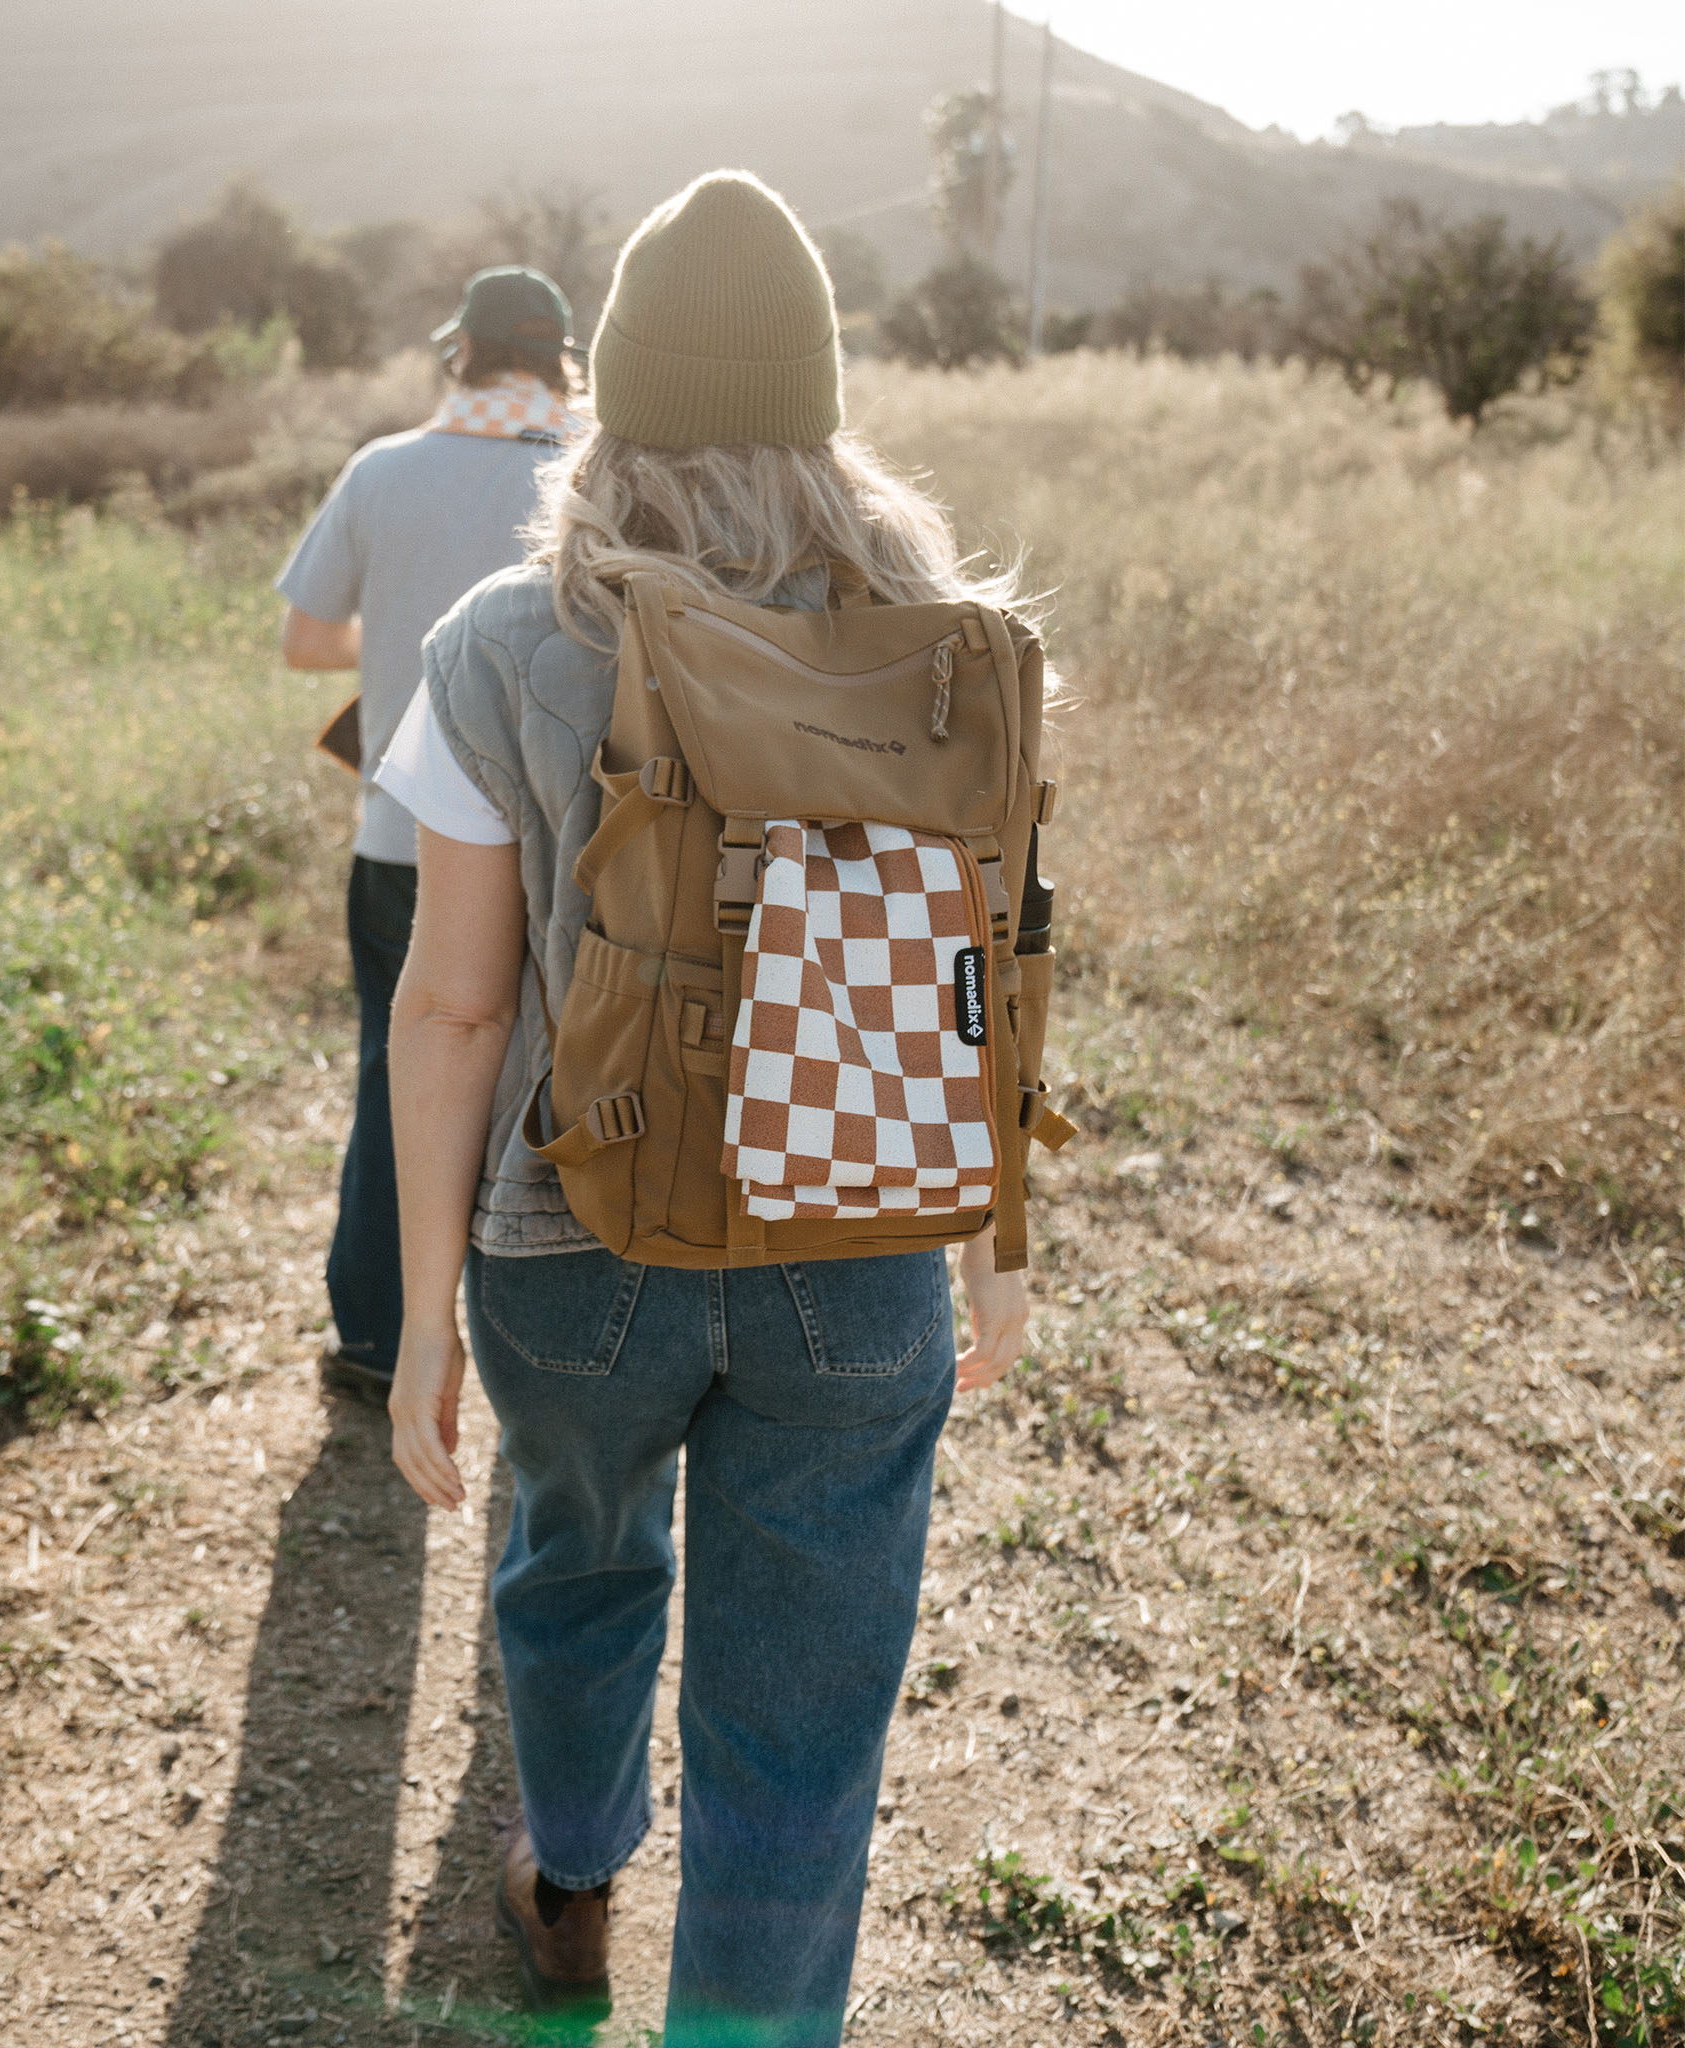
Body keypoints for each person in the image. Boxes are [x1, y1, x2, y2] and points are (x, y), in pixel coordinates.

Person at [372, 172, 1039, 2042]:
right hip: (861, 1231)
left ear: (619, 402)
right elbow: (993, 959)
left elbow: (451, 998)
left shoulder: (507, 642)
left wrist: (422, 1305)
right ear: (815, 402)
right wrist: (993, 1249)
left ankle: (571, 1870)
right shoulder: (945, 639)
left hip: (573, 1235)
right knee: (806, 1706)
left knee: (576, 1558)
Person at [278, 264, 583, 1402]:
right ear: (561, 359)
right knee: (557, 1084)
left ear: (459, 352)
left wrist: (401, 621)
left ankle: (374, 1338)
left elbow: (307, 643)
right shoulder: (595, 477)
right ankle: (542, 1344)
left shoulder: (382, 471)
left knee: (390, 1069)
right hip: (563, 847)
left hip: (403, 842)